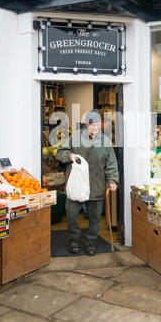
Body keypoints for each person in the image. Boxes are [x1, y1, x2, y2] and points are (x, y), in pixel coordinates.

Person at [57, 109, 119, 256]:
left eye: (98, 125)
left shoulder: (105, 142)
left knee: (95, 217)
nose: (96, 128)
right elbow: (60, 153)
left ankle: (90, 242)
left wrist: (112, 180)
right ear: (86, 124)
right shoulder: (76, 137)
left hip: (96, 184)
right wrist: (70, 155)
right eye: (93, 125)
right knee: (71, 213)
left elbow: (111, 164)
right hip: (77, 183)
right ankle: (74, 239)